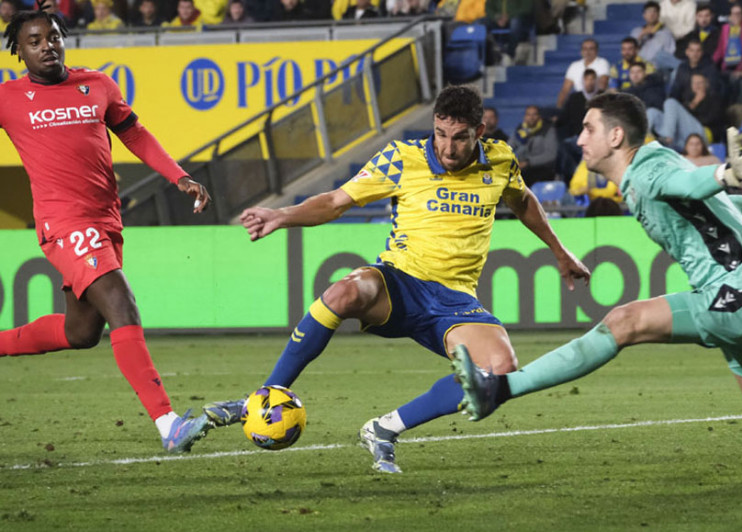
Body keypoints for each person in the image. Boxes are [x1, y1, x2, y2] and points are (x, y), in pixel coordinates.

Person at [452, 93, 742, 441]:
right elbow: (703, 200)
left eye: (589, 128)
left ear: (615, 137)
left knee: (622, 322)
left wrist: (724, 174)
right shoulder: (654, 161)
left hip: (734, 295)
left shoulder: (645, 172)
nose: (580, 138)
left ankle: (501, 389)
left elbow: (689, 182)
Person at [201, 86, 591, 474]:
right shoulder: (402, 158)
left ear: (480, 133)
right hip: (398, 284)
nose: (448, 148)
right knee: (343, 292)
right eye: (440, 134)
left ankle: (384, 429)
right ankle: (261, 398)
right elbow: (338, 201)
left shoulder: (501, 161)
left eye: (460, 138)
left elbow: (522, 201)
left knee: (500, 368)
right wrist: (282, 215)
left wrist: (560, 250)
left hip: (455, 300)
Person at [0, 7, 213, 452]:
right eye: (35, 41)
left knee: (81, 333)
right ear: (17, 51)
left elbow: (136, 135)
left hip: (105, 221)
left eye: (53, 37)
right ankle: (168, 423)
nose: (47, 46)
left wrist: (180, 177)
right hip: (63, 223)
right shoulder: (9, 98)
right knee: (121, 301)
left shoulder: (96, 84)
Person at [649, 72, 723, 150]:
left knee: (670, 102)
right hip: (681, 137)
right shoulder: (689, 97)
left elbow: (713, 119)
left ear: (707, 84)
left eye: (700, 83)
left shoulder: (714, 98)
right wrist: (694, 103)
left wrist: (696, 103)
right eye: (694, 83)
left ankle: (667, 137)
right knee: (652, 112)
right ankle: (645, 140)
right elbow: (680, 117)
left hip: (702, 135)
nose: (697, 86)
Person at [510, 105, 559, 185]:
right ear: (525, 117)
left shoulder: (548, 130)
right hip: (522, 169)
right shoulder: (520, 130)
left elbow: (551, 155)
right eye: (528, 114)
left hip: (542, 170)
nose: (531, 117)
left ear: (539, 116)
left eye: (534, 114)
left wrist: (528, 162)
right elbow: (509, 146)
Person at [556, 38, 610, 109]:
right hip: (579, 101)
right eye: (585, 49)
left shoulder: (602, 63)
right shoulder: (574, 65)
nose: (588, 52)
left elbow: (602, 86)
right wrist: (558, 109)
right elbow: (565, 90)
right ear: (581, 51)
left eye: (591, 49)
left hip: (596, 100)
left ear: (597, 50)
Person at [630, 1, 676, 70]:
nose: (652, 14)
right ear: (644, 15)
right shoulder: (636, 32)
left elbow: (669, 55)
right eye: (649, 11)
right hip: (639, 67)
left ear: (659, 15)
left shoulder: (666, 33)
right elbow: (628, 50)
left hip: (657, 68)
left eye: (655, 12)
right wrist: (642, 35)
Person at [712, 3, 742, 74]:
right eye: (733, 14)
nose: (736, 16)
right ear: (730, 16)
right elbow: (720, 49)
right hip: (726, 65)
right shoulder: (725, 28)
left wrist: (740, 69)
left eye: (738, 13)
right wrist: (711, 63)